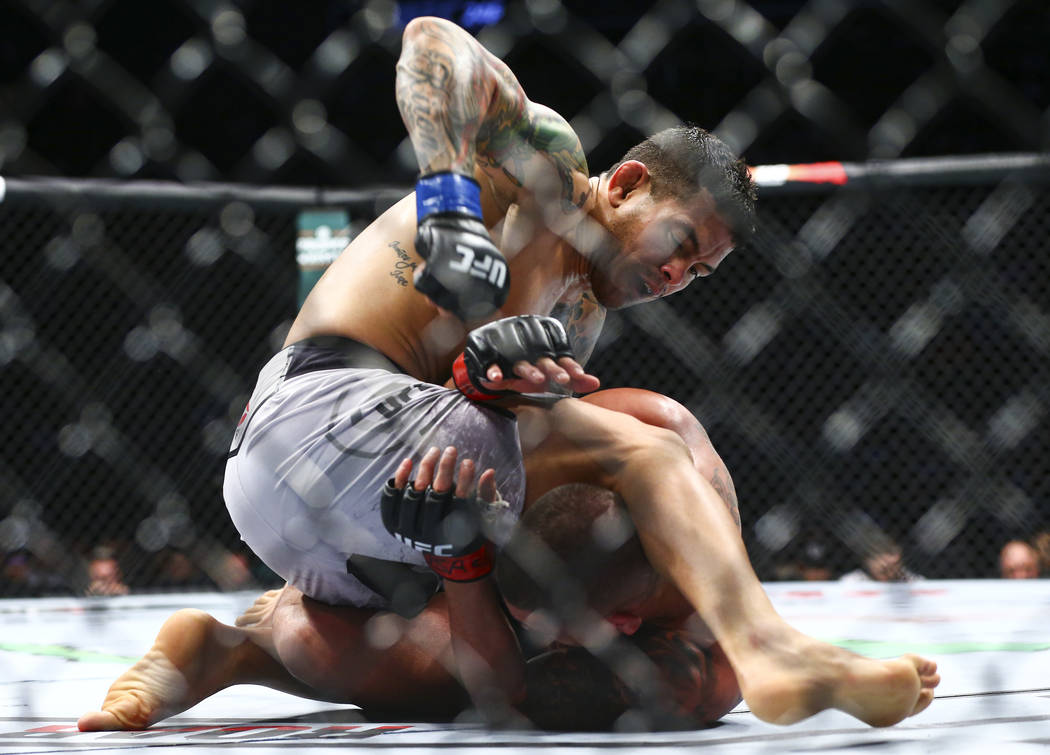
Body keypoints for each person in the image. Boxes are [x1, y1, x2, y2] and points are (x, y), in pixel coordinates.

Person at [79, 16, 937, 731]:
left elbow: (503, 474)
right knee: (656, 442)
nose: (677, 278)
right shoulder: (545, 176)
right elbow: (431, 42)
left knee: (491, 665)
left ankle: (229, 648)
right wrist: (450, 200)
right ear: (628, 183)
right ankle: (767, 643)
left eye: (699, 275)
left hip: (343, 526)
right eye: (680, 246)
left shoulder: (581, 320)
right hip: (324, 408)